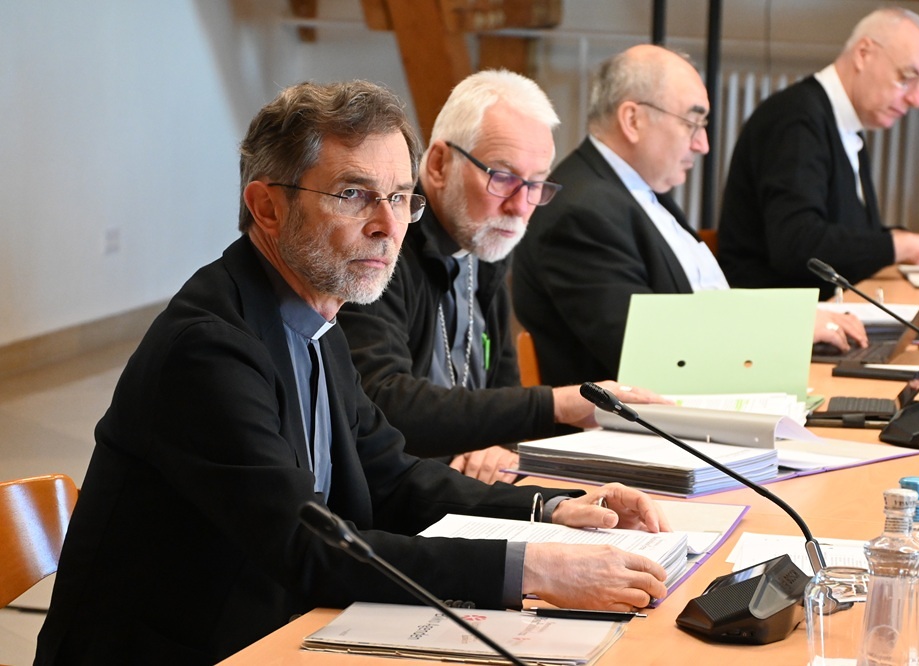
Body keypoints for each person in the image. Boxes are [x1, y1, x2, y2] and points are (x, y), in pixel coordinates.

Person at [33, 81, 671, 666]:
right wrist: (534, 570)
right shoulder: (209, 349)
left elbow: (392, 478)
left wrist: (550, 508)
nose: (388, 227)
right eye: (353, 195)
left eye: (398, 197)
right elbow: (309, 547)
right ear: (267, 207)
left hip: (278, 631)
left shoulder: (314, 316)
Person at [338, 69, 663, 485]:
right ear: (438, 164)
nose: (520, 207)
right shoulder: (383, 244)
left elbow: (500, 392)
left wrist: (497, 445)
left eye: (536, 184)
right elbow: (381, 401)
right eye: (503, 177)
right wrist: (556, 405)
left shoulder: (483, 242)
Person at [512, 45, 867, 388]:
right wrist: (784, 332)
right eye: (692, 123)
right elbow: (648, 353)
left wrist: (791, 319)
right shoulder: (582, 213)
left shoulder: (632, 191)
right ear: (633, 120)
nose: (703, 145)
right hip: (643, 421)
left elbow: (702, 305)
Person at [717, 6, 919, 300]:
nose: (916, 99)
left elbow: (850, 233)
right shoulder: (795, 120)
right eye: (907, 77)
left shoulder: (842, 121)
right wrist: (908, 245)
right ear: (863, 53)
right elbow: (797, 245)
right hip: (777, 314)